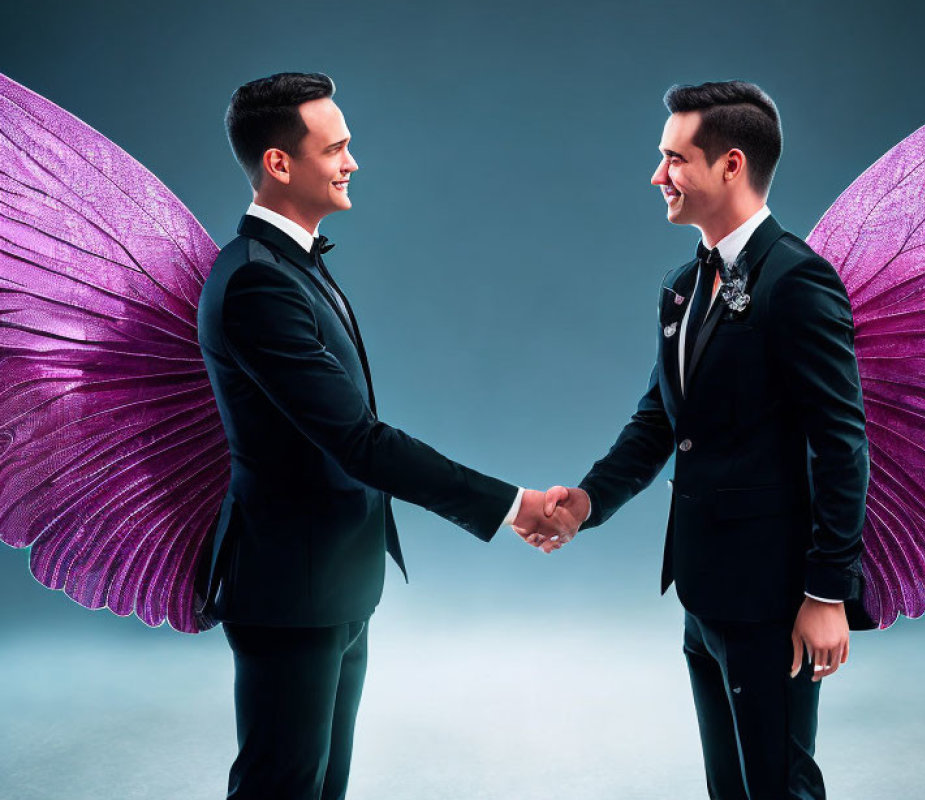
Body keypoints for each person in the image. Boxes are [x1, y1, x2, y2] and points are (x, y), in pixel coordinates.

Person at [196, 72, 578, 800]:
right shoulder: (256, 282)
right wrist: (515, 504)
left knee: (320, 785)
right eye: (336, 147)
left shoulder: (292, 266)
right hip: (289, 587)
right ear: (279, 163)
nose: (352, 161)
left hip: (335, 580)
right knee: (282, 785)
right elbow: (359, 442)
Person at [539, 80, 869, 799]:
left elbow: (841, 443)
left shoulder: (800, 282)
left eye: (674, 159)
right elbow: (660, 417)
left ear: (731, 165)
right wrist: (587, 500)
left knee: (778, 785)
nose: (658, 175)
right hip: (703, 590)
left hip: (774, 598)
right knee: (730, 788)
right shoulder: (685, 285)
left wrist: (826, 593)